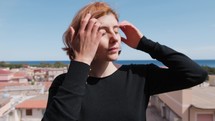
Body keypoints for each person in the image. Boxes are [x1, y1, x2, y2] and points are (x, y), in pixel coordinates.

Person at [42, 2, 207, 121]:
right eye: (103, 32)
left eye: (116, 30)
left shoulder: (139, 76)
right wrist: (82, 59)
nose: (115, 38)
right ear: (82, 38)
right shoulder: (64, 84)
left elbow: (195, 74)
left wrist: (145, 44)